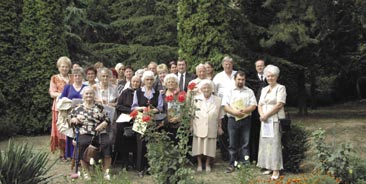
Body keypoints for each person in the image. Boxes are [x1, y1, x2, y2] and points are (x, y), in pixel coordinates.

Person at [69, 86, 112, 180]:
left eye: (91, 93)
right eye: (86, 93)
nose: (89, 95)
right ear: (83, 95)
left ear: (94, 95)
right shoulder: (78, 108)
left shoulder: (99, 107)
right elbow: (70, 119)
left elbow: (107, 119)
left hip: (99, 131)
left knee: (107, 144)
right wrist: (75, 119)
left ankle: (106, 172)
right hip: (84, 131)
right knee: (83, 143)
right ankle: (86, 172)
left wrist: (103, 124)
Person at [222, 71, 257, 173]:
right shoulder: (229, 91)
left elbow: (253, 105)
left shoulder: (249, 91)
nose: (241, 81)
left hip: (246, 119)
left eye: (243, 79)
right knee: (233, 143)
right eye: (239, 79)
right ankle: (232, 164)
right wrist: (234, 112)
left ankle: (245, 164)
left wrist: (244, 111)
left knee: (245, 143)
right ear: (235, 79)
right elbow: (225, 105)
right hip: (233, 120)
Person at [257, 65, 286, 180]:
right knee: (266, 144)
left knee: (275, 144)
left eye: (272, 76)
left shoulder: (281, 88)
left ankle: (276, 169)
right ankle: (268, 166)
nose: (270, 78)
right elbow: (260, 104)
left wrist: (266, 115)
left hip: (274, 119)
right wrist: (262, 115)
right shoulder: (264, 89)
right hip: (265, 121)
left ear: (276, 76)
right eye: (268, 76)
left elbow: (279, 104)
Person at [131, 70, 163, 177]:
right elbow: (134, 106)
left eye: (151, 79)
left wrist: (151, 111)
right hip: (140, 119)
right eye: (147, 79)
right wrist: (142, 108)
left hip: (153, 120)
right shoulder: (138, 92)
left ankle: (151, 167)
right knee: (140, 144)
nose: (149, 81)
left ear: (153, 81)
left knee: (152, 144)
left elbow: (160, 107)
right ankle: (140, 169)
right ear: (143, 81)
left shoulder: (157, 93)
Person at [191, 79, 224, 173]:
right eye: (204, 88)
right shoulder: (195, 99)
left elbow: (220, 116)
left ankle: (208, 164)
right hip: (198, 126)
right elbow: (191, 114)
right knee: (198, 146)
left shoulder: (217, 100)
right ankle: (199, 164)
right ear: (201, 89)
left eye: (208, 87)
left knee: (210, 146)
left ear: (212, 89)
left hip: (212, 126)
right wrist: (191, 126)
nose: (206, 89)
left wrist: (219, 127)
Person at [59, 68, 87, 160]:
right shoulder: (68, 87)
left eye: (79, 75)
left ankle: (81, 154)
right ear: (72, 77)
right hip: (70, 113)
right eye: (75, 75)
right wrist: (69, 102)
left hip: (83, 113)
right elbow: (61, 99)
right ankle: (71, 155)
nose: (77, 77)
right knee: (71, 133)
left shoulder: (85, 87)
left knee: (81, 133)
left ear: (82, 76)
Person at [212, 56, 237, 162]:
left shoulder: (237, 74)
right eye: (226, 64)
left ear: (232, 64)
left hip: (235, 107)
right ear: (223, 65)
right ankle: (225, 154)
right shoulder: (218, 77)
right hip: (222, 107)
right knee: (223, 132)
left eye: (229, 64)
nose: (228, 66)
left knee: (235, 131)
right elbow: (214, 92)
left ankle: (235, 154)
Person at [115, 76, 141, 170]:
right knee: (122, 135)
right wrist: (130, 111)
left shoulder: (141, 93)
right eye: (134, 81)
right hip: (126, 118)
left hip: (138, 118)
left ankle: (135, 161)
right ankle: (125, 162)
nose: (135, 83)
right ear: (131, 82)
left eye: (137, 81)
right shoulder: (125, 92)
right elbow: (118, 106)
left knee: (137, 138)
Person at [49, 56, 72, 161]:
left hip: (70, 107)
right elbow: (52, 93)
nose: (64, 69)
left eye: (66, 67)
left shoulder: (72, 78)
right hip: (58, 107)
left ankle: (70, 152)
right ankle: (62, 153)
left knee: (70, 128)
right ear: (58, 67)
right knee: (60, 130)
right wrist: (63, 95)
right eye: (62, 67)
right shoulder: (54, 78)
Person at [249, 59, 268, 163]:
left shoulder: (270, 78)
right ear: (256, 68)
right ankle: (255, 157)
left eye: (262, 65)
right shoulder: (251, 80)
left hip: (268, 111)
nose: (260, 67)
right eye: (258, 66)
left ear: (265, 66)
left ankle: (266, 158)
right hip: (255, 112)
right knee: (255, 134)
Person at [162, 73, 181, 143]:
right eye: (168, 82)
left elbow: (185, 108)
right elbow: (160, 109)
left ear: (176, 83)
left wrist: (178, 117)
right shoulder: (162, 95)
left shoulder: (181, 94)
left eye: (172, 82)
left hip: (178, 124)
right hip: (165, 125)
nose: (170, 83)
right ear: (166, 84)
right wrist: (167, 119)